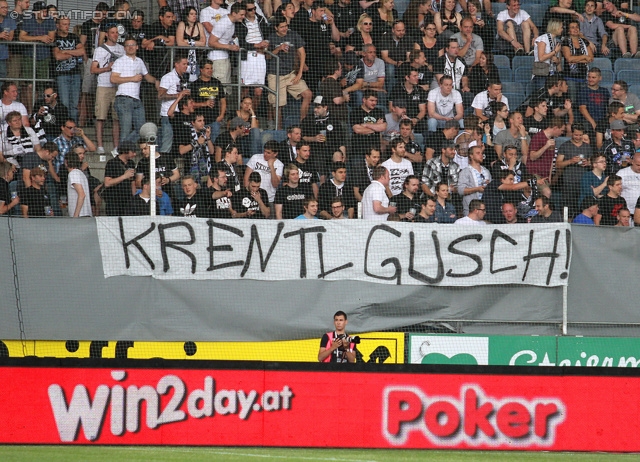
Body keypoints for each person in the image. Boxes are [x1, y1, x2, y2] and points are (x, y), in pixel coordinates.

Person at [266, 17, 313, 129]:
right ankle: (279, 130)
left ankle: (303, 124)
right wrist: (278, 49)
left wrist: (300, 73)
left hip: (290, 73)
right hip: (275, 75)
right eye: (281, 27)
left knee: (308, 94)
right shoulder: (271, 38)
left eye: (286, 26)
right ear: (276, 28)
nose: (284, 28)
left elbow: (302, 53)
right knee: (278, 105)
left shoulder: (293, 35)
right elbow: (267, 56)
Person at [111, 36, 158, 144]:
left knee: (141, 130)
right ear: (124, 48)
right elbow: (113, 78)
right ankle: (121, 154)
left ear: (137, 47)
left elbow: (147, 77)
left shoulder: (139, 61)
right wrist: (132, 78)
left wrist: (157, 81)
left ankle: (122, 150)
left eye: (132, 45)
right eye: (128, 45)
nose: (130, 47)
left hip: (137, 100)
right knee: (126, 131)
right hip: (123, 99)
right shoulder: (120, 61)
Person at [91, 24, 123, 155]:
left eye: (116, 32)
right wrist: (107, 68)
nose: (115, 35)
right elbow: (93, 69)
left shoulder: (122, 49)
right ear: (107, 35)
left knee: (116, 118)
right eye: (112, 32)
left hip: (118, 87)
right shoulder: (99, 50)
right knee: (101, 117)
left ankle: (116, 147)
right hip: (104, 85)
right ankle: (100, 145)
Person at [19, 1, 55, 112]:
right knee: (29, 85)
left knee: (42, 85)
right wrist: (39, 38)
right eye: (42, 11)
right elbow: (21, 37)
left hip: (44, 57)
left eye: (45, 11)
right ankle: (30, 111)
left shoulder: (49, 20)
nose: (44, 13)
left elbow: (51, 38)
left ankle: (40, 110)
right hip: (29, 56)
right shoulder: (29, 20)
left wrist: (38, 38)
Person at [236, 0, 270, 109]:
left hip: (260, 56)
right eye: (250, 9)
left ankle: (252, 116)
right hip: (247, 56)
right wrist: (257, 45)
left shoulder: (260, 19)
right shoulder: (240, 22)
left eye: (254, 8)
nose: (253, 11)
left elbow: (268, 35)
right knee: (245, 88)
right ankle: (242, 116)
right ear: (245, 11)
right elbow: (241, 42)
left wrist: (265, 45)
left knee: (258, 91)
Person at [158, 54, 191, 155]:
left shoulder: (183, 78)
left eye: (187, 64)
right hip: (168, 115)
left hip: (179, 115)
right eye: (184, 64)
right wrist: (178, 95)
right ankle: (161, 165)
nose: (186, 66)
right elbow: (160, 95)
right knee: (167, 142)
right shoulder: (168, 77)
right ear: (176, 64)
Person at [51, 17, 83, 123]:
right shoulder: (55, 38)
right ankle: (65, 128)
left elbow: (82, 51)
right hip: (62, 74)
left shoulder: (74, 37)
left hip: (75, 74)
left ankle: (74, 128)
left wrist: (65, 51)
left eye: (68, 24)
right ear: (58, 25)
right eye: (64, 24)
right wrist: (73, 52)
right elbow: (57, 56)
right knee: (64, 103)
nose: (67, 26)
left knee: (74, 104)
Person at [191, 60, 226, 144]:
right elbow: (191, 104)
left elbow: (223, 101)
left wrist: (221, 115)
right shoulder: (195, 84)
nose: (210, 70)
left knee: (215, 144)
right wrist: (204, 104)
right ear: (201, 70)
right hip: (199, 122)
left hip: (214, 120)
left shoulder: (217, 82)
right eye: (207, 68)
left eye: (211, 68)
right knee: (200, 144)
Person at [432, 39, 472, 108]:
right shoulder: (440, 61)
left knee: (469, 96)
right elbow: (440, 81)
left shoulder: (461, 61)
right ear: (447, 49)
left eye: (457, 47)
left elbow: (464, 78)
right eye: (453, 48)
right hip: (444, 91)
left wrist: (465, 86)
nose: (456, 50)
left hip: (458, 91)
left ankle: (465, 117)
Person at [562, 20, 594, 103]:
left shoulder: (584, 42)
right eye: (572, 27)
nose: (575, 29)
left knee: (583, 102)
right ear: (569, 31)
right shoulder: (565, 42)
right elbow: (569, 59)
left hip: (583, 77)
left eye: (577, 27)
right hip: (570, 77)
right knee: (572, 102)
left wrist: (575, 59)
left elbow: (590, 58)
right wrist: (583, 57)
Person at [244, 140, 283, 208]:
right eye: (264, 151)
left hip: (269, 199)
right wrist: (249, 195)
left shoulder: (279, 164)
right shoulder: (255, 157)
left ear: (275, 154)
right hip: (251, 197)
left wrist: (271, 166)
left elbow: (275, 184)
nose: (265, 154)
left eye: (268, 153)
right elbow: (246, 178)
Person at [103, 140, 137, 216]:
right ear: (126, 151)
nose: (135, 154)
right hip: (114, 201)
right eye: (133, 151)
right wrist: (124, 176)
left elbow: (133, 183)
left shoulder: (131, 163)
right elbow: (107, 183)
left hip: (127, 201)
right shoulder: (111, 163)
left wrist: (134, 199)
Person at [351, 89, 386, 157]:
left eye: (376, 101)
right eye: (371, 100)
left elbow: (383, 127)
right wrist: (376, 127)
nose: (374, 103)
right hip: (358, 150)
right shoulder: (355, 112)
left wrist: (366, 125)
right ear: (364, 100)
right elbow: (357, 130)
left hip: (375, 151)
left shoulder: (379, 112)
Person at [458, 145, 491, 216]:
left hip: (486, 210)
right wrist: (477, 189)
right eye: (478, 153)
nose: (481, 155)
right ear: (471, 156)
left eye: (482, 153)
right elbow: (461, 190)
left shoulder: (486, 171)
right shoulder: (465, 171)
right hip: (471, 211)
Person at [176, 6, 206, 82]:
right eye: (191, 14)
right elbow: (179, 42)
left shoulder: (199, 25)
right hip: (184, 58)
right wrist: (196, 43)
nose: (194, 16)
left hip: (197, 59)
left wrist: (189, 42)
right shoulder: (182, 24)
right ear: (186, 15)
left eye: (195, 14)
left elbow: (203, 43)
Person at [531, 19, 562, 91]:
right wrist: (554, 52)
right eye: (561, 27)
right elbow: (541, 58)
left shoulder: (555, 40)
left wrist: (556, 60)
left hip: (551, 73)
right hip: (541, 74)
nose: (562, 29)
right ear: (556, 27)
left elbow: (557, 60)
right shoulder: (543, 38)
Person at [578, 68, 610, 138]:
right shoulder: (583, 91)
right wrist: (593, 123)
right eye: (589, 77)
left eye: (593, 77)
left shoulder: (604, 91)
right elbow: (582, 109)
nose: (590, 79)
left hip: (603, 122)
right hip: (588, 122)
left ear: (600, 78)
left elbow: (609, 108)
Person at [65, 151, 91, 218]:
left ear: (66, 161)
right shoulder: (80, 173)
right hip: (84, 214)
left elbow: (81, 194)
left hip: (80, 215)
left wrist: (76, 215)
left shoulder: (73, 174)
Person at [617, 152, 640, 220]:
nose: (639, 167)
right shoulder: (622, 173)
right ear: (632, 162)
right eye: (638, 165)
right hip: (626, 214)